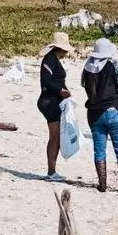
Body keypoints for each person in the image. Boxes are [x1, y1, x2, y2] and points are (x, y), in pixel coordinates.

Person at [80, 38, 118, 193]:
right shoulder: (114, 65)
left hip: (94, 113)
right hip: (114, 110)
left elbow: (83, 84)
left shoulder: (87, 67)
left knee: (99, 150)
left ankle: (102, 184)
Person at [36, 31, 74, 182]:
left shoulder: (53, 60)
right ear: (61, 48)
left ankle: (52, 171)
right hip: (49, 101)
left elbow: (56, 80)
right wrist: (60, 91)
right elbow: (46, 81)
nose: (67, 53)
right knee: (55, 138)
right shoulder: (50, 59)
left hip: (52, 100)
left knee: (55, 137)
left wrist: (65, 91)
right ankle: (51, 172)